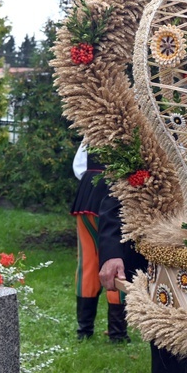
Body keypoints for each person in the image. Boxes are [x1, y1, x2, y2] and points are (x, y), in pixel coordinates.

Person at [97, 180, 187, 373]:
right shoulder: (148, 146)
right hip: (161, 261)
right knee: (169, 350)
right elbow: (117, 195)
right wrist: (112, 252)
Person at [71, 143, 128, 342]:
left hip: (87, 195)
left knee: (87, 262)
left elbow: (78, 167)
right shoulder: (128, 128)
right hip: (115, 195)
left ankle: (84, 330)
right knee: (118, 258)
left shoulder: (92, 128)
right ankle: (117, 333)